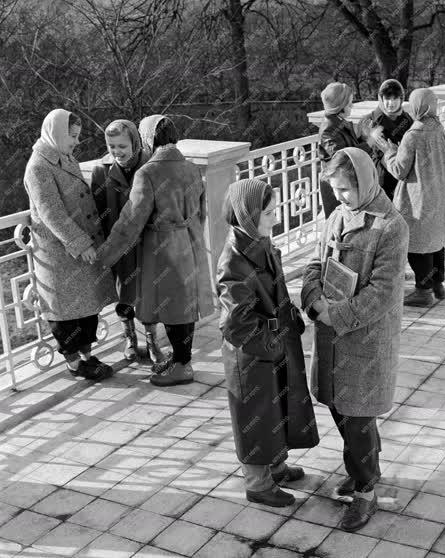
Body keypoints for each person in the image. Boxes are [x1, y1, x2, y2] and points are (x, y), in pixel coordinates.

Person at [301, 147, 408, 532]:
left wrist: (338, 314)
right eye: (335, 189)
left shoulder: (390, 225)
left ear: (364, 181)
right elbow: (315, 262)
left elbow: (382, 291)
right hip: (331, 334)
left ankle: (365, 491)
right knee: (339, 407)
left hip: (364, 339)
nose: (340, 197)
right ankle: (365, 469)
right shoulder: (336, 216)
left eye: (346, 189)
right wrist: (312, 297)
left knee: (359, 415)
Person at [216, 179, 319, 508]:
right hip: (252, 354)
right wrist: (272, 344)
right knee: (256, 416)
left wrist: (290, 318)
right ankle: (258, 483)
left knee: (276, 409)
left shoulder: (261, 243)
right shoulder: (234, 260)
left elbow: (275, 291)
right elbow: (235, 323)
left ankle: (276, 466)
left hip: (272, 343)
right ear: (247, 215)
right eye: (269, 213)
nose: (275, 219)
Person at [96, 115, 214, 386]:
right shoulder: (191, 167)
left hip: (162, 248)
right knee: (185, 305)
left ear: (148, 138)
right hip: (190, 240)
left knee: (173, 309)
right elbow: (201, 212)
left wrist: (105, 255)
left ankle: (183, 366)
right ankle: (180, 358)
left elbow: (130, 222)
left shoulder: (147, 173)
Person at [23, 109, 115, 380]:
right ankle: (75, 363)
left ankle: (87, 357)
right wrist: (80, 242)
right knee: (65, 312)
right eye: (72, 136)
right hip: (60, 253)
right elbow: (52, 213)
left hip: (79, 248)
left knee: (86, 307)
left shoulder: (63, 156)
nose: (76, 142)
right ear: (57, 133)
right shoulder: (39, 166)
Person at [90, 120, 167, 364]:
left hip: (147, 242)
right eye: (111, 146)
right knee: (125, 295)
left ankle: (153, 343)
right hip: (120, 245)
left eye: (122, 145)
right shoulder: (101, 171)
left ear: (134, 141)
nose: (117, 151)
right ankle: (130, 340)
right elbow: (98, 211)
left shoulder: (151, 166)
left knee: (148, 294)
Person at [377, 88, 445, 306]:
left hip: (418, 197)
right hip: (438, 192)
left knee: (417, 244)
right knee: (435, 238)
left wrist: (388, 151)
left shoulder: (413, 134)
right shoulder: (439, 128)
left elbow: (400, 170)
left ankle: (423, 291)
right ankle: (437, 283)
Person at [318, 82, 373, 217]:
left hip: (344, 183)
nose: (352, 106)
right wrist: (369, 143)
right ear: (340, 107)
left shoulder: (340, 122)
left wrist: (365, 138)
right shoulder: (329, 129)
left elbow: (350, 149)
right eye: (349, 103)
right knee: (338, 228)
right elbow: (342, 158)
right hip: (335, 187)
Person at [360, 79, 413, 201]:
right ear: (381, 99)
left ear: (401, 99)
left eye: (395, 98)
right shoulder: (372, 121)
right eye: (387, 98)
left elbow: (412, 143)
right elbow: (379, 150)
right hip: (383, 175)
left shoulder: (406, 118)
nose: (391, 103)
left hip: (404, 172)